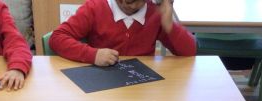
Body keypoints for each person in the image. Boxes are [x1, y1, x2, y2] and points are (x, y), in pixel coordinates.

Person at [49, 0, 196, 66]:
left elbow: (190, 51)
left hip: (141, 88)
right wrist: (93, 55)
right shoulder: (95, 7)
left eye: (134, 1)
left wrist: (170, 27)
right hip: (102, 84)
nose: (127, 4)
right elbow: (57, 38)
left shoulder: (155, 13)